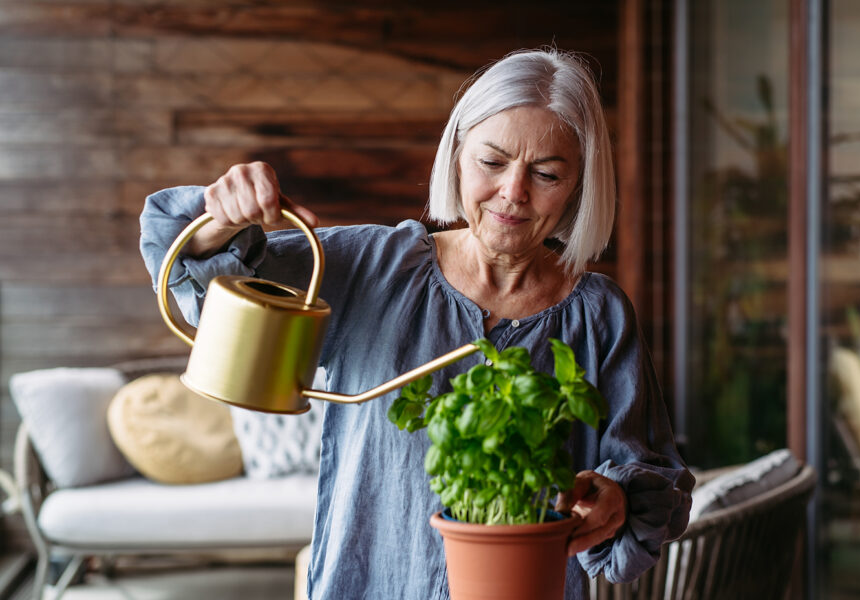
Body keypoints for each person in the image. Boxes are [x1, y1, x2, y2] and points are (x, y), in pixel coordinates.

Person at [140, 48, 694, 599]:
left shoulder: (599, 313)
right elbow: (207, 285)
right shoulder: (372, 265)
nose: (513, 192)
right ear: (456, 155)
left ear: (579, 185)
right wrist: (221, 221)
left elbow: (649, 472)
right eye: (492, 162)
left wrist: (618, 498)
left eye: (546, 173)